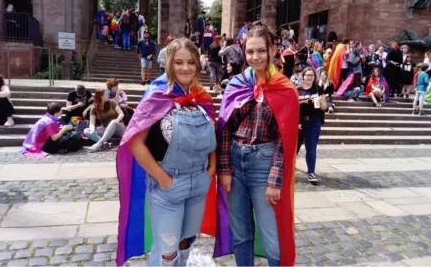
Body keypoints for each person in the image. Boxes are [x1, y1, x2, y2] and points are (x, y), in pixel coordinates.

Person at [115, 38, 217, 266]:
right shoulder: (156, 95)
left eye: (191, 62)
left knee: (186, 243)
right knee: (167, 251)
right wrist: (163, 179)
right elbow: (135, 142)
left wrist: (211, 167)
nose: (185, 67)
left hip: (199, 184)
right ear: (169, 63)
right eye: (179, 62)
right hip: (168, 187)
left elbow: (213, 132)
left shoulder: (201, 97)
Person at [216, 23, 299, 266]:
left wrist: (274, 181)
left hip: (264, 164)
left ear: (273, 49)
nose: (255, 57)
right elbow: (224, 131)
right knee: (241, 236)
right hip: (234, 162)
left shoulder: (285, 89)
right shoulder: (235, 85)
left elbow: (286, 140)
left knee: (272, 238)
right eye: (250, 51)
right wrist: (223, 169)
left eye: (261, 51)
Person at [297, 67, 327, 183]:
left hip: (314, 122)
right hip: (299, 122)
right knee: (294, 148)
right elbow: (293, 107)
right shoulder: (297, 89)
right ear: (303, 76)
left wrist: (321, 101)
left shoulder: (318, 89)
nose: (309, 77)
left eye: (312, 75)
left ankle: (311, 172)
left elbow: (324, 107)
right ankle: (287, 170)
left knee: (311, 148)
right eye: (307, 75)